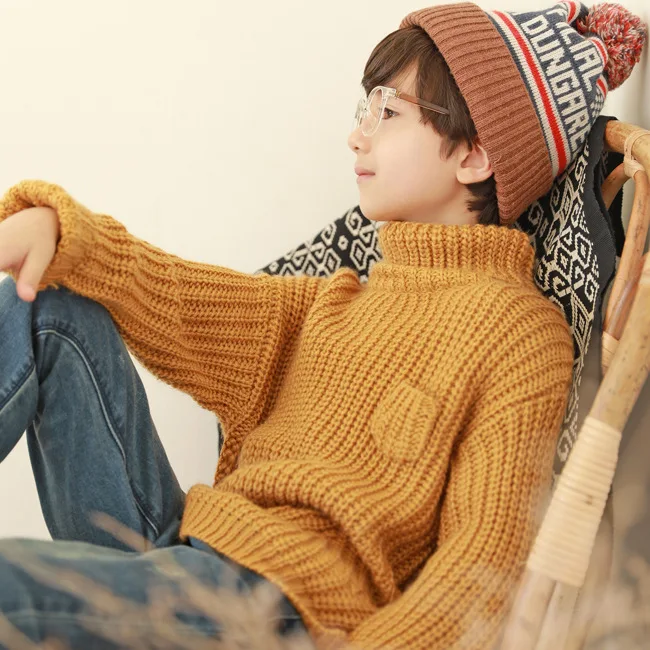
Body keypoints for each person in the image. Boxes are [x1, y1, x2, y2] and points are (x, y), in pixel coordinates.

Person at [0, 1, 645, 648]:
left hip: (280, 606)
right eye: (365, 109)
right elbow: (169, 293)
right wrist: (61, 229)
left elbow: (480, 571)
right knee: (50, 309)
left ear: (475, 155)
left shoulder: (517, 334)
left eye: (387, 112)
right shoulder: (333, 302)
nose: (357, 136)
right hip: (191, 556)